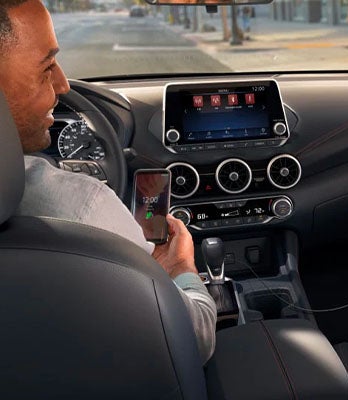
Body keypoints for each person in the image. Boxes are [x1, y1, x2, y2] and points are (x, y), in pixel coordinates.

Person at [0, 0, 216, 363]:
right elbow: (195, 339)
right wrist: (181, 270)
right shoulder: (82, 205)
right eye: (46, 67)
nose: (64, 84)